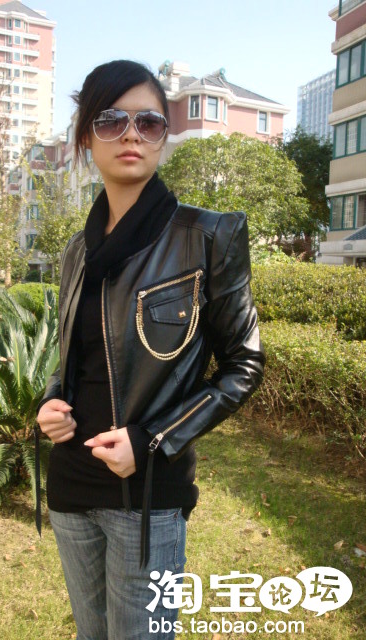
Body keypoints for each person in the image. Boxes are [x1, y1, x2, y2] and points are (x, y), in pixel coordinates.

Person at [36, 59, 265, 640]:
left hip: (147, 492)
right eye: (111, 121)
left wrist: (152, 439)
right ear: (85, 138)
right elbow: (74, 360)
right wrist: (51, 401)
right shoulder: (76, 252)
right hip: (70, 483)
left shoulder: (209, 235)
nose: (131, 135)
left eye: (149, 122)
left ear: (164, 135)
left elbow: (243, 365)